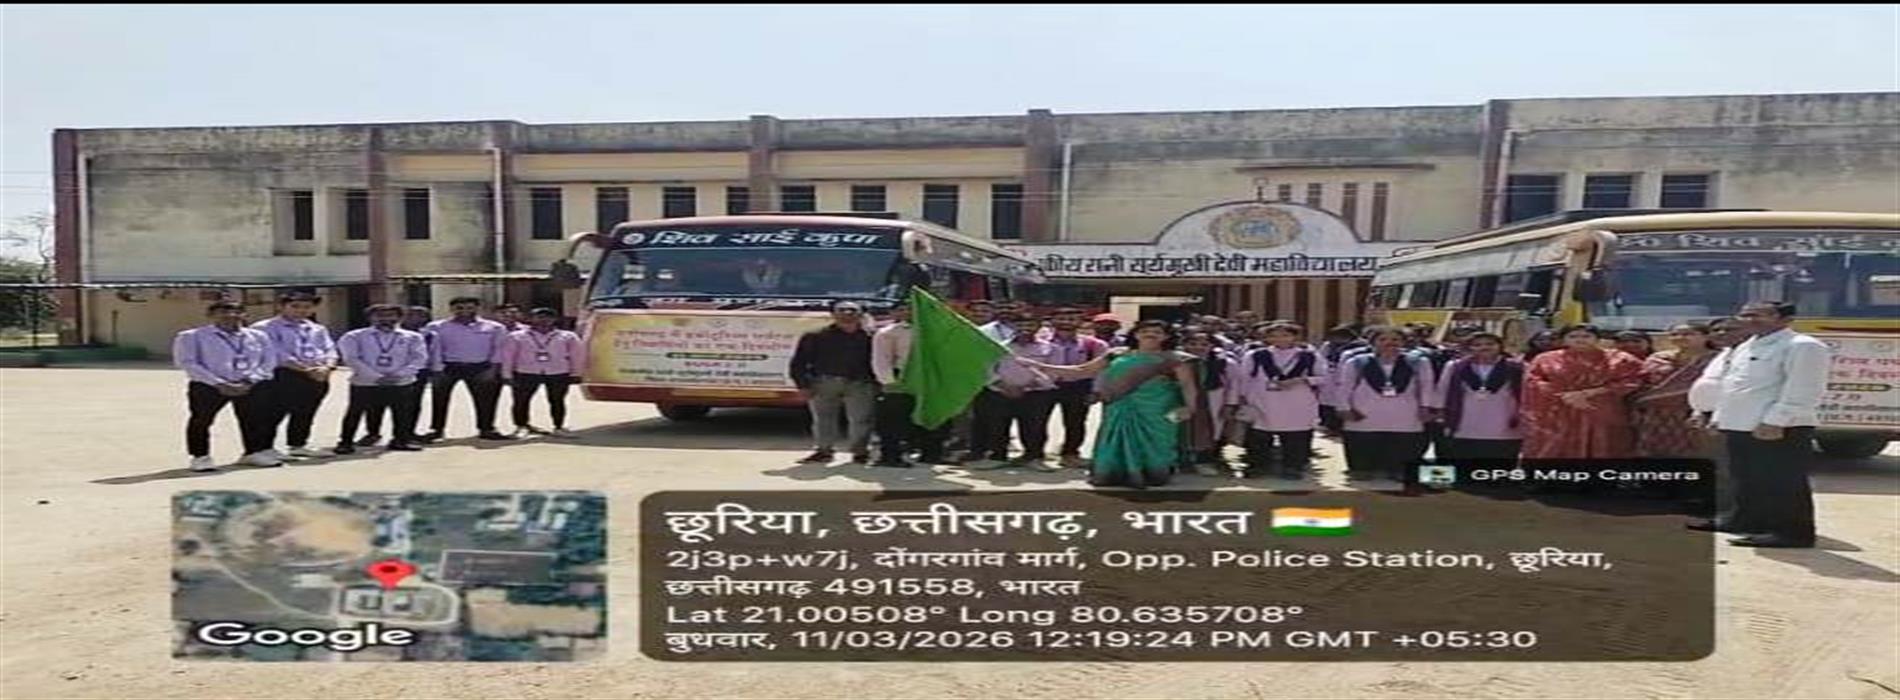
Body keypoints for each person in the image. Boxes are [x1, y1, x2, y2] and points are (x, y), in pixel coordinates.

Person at [1693, 302, 1829, 548]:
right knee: (1746, 477)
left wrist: (1776, 421)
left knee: (1782, 481)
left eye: (1759, 315)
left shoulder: (1803, 346)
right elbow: (1733, 385)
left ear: (1785, 319)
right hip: (1741, 424)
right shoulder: (1747, 345)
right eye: (1745, 315)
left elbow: (1804, 389)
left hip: (1779, 427)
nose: (1749, 319)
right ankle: (1744, 520)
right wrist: (1719, 417)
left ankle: (1792, 533)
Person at [1028, 320, 1200, 489]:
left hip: (1157, 409)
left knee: (1157, 444)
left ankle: (1153, 475)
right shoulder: (1117, 354)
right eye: (1145, 331)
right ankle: (1112, 475)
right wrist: (1040, 366)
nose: (1150, 335)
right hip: (1119, 405)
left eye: (1157, 332)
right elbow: (1083, 370)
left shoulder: (1175, 359)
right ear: (1135, 335)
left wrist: (1189, 408)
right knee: (1114, 441)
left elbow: (1187, 385)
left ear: (1166, 337)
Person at [174, 301, 281, 471]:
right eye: (223, 312)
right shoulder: (192, 336)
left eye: (237, 312)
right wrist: (219, 383)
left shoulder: (258, 336)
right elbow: (187, 362)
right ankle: (200, 456)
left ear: (244, 315)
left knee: (254, 419)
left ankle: (253, 452)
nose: (231, 316)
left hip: (249, 384)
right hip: (209, 385)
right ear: (211, 315)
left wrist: (250, 380)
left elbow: (269, 361)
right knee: (201, 421)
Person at [1521, 324, 1644, 459]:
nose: (1580, 340)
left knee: (1605, 447)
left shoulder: (1619, 358)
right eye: (1573, 336)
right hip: (1560, 413)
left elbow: (1634, 380)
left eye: (1586, 336)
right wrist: (1566, 396)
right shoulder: (1545, 359)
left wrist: (1589, 394)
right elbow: (1534, 382)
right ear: (1563, 340)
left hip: (1602, 411)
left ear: (1598, 339)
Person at [1331, 326, 1436, 481]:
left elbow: (1427, 386)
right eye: (1383, 339)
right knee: (1363, 442)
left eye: (1395, 339)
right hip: (1364, 411)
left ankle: (1398, 469)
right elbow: (1344, 387)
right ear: (1373, 342)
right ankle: (1362, 469)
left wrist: (1425, 407)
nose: (1389, 343)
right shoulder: (1356, 362)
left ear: (1403, 342)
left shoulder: (1418, 362)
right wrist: (1344, 408)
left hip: (1405, 411)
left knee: (1403, 443)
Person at [1226, 322, 1326, 479]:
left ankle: (1292, 467)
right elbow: (1244, 379)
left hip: (1297, 403)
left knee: (1295, 437)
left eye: (1285, 335)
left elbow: (1324, 378)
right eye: (1274, 336)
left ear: (1295, 337)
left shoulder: (1309, 356)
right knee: (1259, 436)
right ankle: (1258, 466)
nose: (1280, 339)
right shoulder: (1256, 355)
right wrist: (1242, 398)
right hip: (1263, 401)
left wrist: (1302, 380)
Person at [788, 301, 878, 464]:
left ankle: (860, 452)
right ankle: (823, 451)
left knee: (862, 419)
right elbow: (799, 362)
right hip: (823, 383)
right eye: (841, 310)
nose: (847, 313)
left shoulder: (873, 336)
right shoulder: (815, 335)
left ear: (861, 314)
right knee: (823, 419)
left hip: (861, 383)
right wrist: (802, 385)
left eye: (852, 310)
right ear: (833, 314)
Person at [252, 291, 338, 460]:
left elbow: (329, 348)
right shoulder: (265, 327)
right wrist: (305, 369)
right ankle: (265, 447)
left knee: (306, 411)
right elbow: (275, 352)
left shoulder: (317, 328)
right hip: (284, 374)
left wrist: (327, 367)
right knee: (274, 412)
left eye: (307, 307)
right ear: (281, 306)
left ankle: (298, 444)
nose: (301, 310)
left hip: (318, 374)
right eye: (295, 306)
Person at [333, 304, 430, 454]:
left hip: (401, 382)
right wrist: (376, 376)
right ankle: (345, 442)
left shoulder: (413, 337)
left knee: (402, 413)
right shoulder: (354, 336)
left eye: (391, 315)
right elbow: (351, 358)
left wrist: (399, 374)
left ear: (399, 317)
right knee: (355, 412)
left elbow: (419, 358)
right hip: (365, 382)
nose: (385, 319)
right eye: (379, 315)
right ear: (370, 318)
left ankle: (400, 440)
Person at [1686, 316, 1753, 531]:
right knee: (1718, 467)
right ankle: (1720, 511)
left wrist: (1717, 417)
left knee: (1733, 470)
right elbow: (1710, 386)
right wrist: (1698, 410)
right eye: (1716, 330)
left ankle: (1734, 517)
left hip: (1733, 419)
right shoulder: (1724, 354)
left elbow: (1737, 390)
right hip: (1711, 417)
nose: (1721, 333)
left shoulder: (1750, 355)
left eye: (1729, 329)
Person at [973, 314, 1061, 468]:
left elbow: (1053, 372)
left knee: (1034, 427)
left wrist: (1026, 387)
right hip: (1001, 392)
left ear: (1038, 327)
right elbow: (987, 370)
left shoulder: (1051, 348)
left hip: (1035, 394)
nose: (1025, 329)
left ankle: (1033, 457)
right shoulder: (998, 347)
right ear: (1012, 327)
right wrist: (1004, 386)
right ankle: (997, 457)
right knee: (998, 426)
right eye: (1020, 325)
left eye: (1030, 325)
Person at [422, 297, 513, 442]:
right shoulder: (436, 326)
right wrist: (436, 369)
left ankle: (486, 428)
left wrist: (493, 369)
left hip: (480, 367)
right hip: (448, 367)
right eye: (459, 308)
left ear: (477, 308)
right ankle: (436, 430)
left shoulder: (494, 327)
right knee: (439, 399)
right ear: (451, 309)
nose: (464, 311)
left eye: (470, 308)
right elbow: (434, 349)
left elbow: (498, 349)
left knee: (486, 399)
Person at [870, 301, 947, 468]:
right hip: (901, 378)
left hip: (929, 378)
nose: (907, 312)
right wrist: (888, 381)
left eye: (911, 309)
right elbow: (881, 359)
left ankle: (931, 454)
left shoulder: (934, 330)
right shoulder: (888, 332)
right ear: (894, 313)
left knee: (931, 416)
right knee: (895, 420)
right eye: (902, 309)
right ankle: (891, 456)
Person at [1632, 323, 1718, 458]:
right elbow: (1642, 382)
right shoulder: (1658, 358)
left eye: (1688, 334)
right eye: (1674, 334)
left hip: (1695, 413)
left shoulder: (1716, 359)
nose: (1680, 337)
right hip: (1656, 414)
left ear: (1706, 336)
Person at [1435, 333, 1525, 462]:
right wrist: (1440, 414)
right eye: (1477, 345)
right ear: (1469, 348)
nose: (1484, 347)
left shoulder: (1517, 367)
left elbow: (1527, 394)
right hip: (1465, 424)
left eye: (1490, 344)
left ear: (1500, 346)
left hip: (1505, 425)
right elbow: (1442, 391)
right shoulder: (1455, 366)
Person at [501, 307, 585, 437]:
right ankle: (521, 426)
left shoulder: (568, 336)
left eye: (548, 317)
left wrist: (576, 373)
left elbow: (577, 355)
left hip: (557, 372)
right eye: (539, 317)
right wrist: (507, 375)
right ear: (531, 319)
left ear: (555, 319)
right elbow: (508, 356)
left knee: (557, 400)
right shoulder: (517, 336)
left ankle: (559, 427)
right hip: (526, 371)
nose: (544, 320)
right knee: (521, 400)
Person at [361, 305, 435, 446]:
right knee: (375, 404)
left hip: (415, 373)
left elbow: (428, 355)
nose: (416, 318)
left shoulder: (429, 334)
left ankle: (406, 434)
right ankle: (372, 433)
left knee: (410, 405)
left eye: (421, 315)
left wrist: (434, 369)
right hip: (379, 374)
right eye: (412, 315)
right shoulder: (377, 333)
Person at [1047, 307, 1109, 468]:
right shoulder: (1041, 342)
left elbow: (1101, 371)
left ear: (1080, 322)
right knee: (1036, 421)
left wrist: (1096, 391)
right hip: (1045, 386)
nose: (1066, 322)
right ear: (1052, 321)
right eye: (1061, 318)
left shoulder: (1094, 344)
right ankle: (1035, 454)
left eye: (1071, 319)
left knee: (1075, 422)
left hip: (1078, 386)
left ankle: (1070, 453)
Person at [1179, 330, 1232, 473]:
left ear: (1212, 346)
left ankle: (1204, 461)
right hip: (1179, 401)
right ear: (1184, 345)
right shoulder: (1176, 361)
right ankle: (1181, 462)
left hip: (1211, 402)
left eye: (1204, 344)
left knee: (1208, 431)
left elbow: (1233, 385)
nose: (1198, 347)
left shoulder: (1223, 362)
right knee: (1180, 430)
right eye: (1193, 344)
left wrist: (1230, 404)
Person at [1317, 324, 1365, 435]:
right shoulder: (1328, 346)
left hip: (1347, 377)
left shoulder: (1357, 347)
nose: (1336, 339)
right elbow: (1321, 358)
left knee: (1344, 401)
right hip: (1330, 377)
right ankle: (1330, 426)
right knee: (1327, 403)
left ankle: (1341, 427)